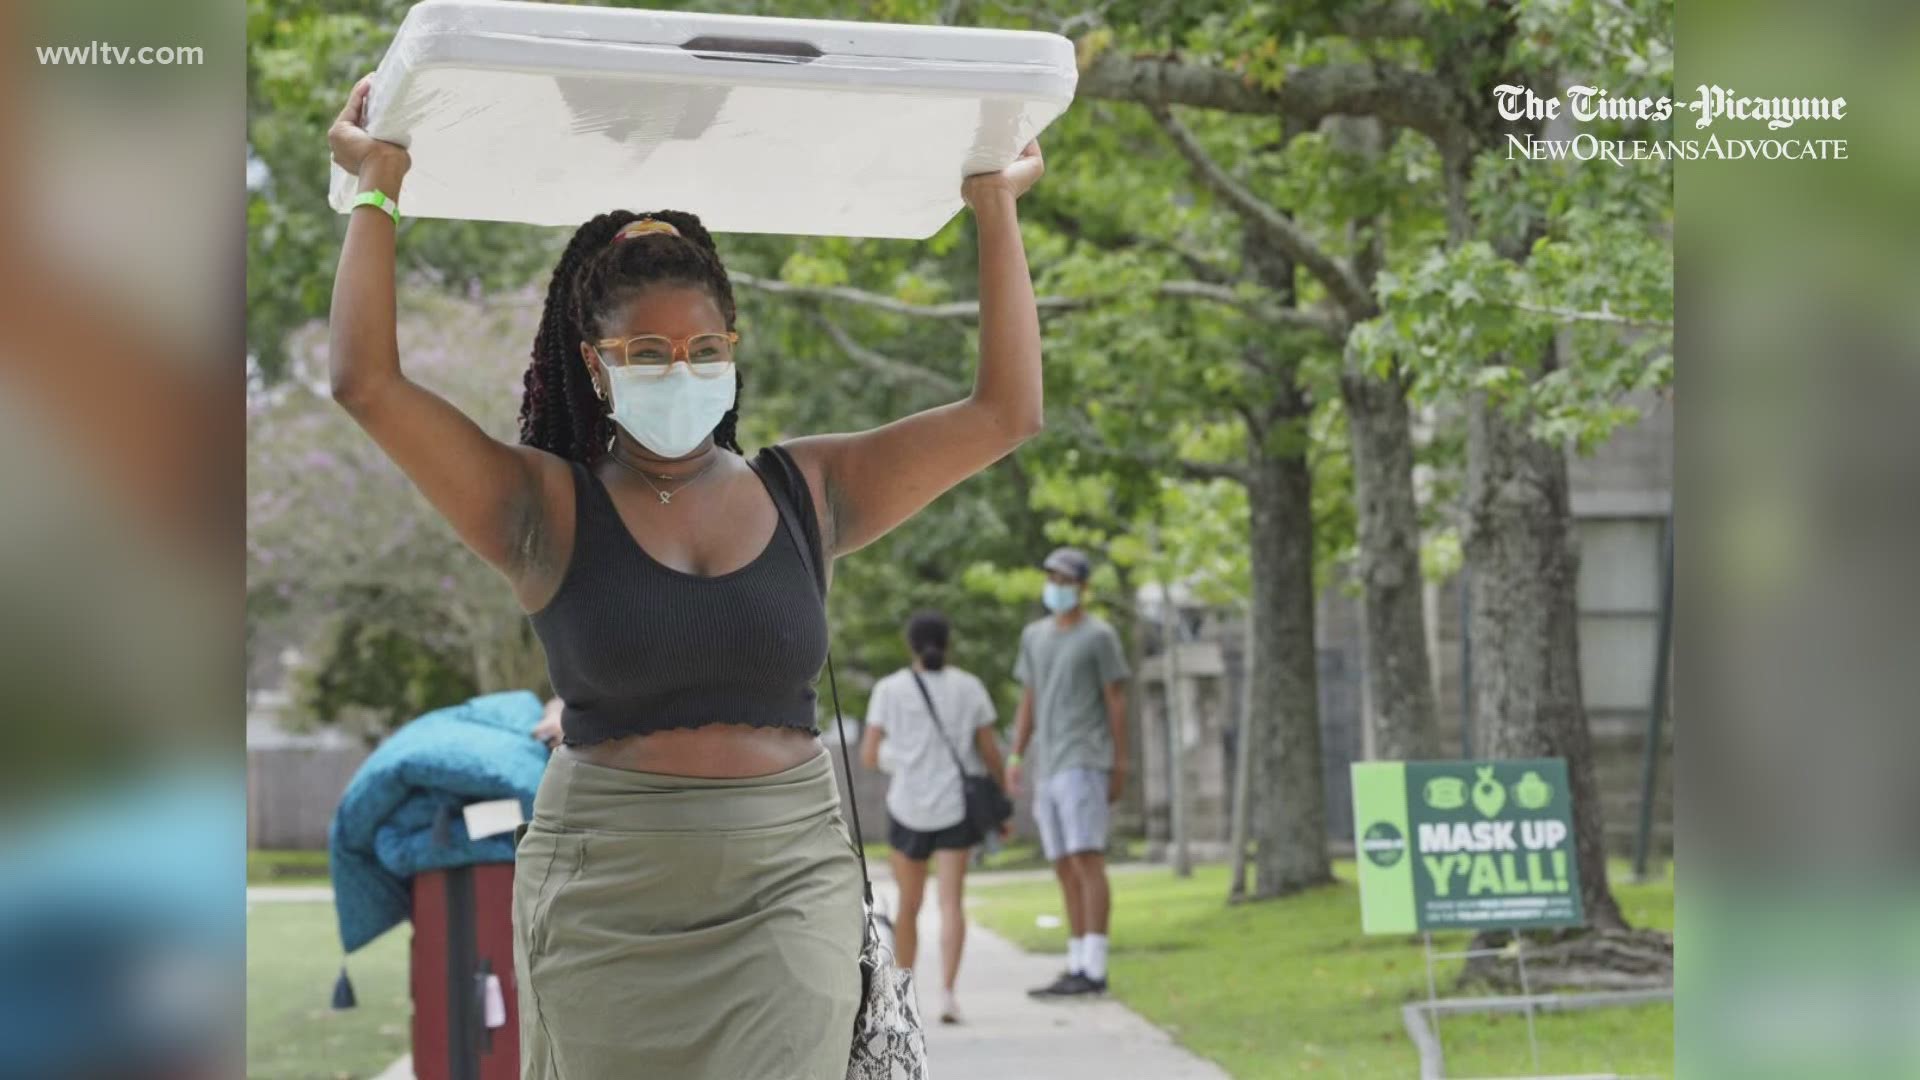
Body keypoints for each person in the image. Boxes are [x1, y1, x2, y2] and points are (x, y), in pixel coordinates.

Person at [326, 74, 1045, 1080]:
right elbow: (367, 382)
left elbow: (1005, 413)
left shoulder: (811, 490)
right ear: (597, 362)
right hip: (607, 891)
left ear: (734, 353)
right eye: (651, 353)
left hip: (786, 877)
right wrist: (378, 185)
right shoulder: (543, 508)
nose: (683, 369)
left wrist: (994, 210)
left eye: (706, 348)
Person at [858, 611, 1009, 1025]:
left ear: (910, 645)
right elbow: (991, 753)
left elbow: (870, 755)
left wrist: (904, 759)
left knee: (908, 905)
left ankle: (905, 1003)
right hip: (955, 809)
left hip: (906, 809)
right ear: (949, 643)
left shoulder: (889, 690)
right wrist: (1003, 798)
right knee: (950, 902)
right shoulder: (969, 687)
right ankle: (948, 995)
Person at [1008, 547, 1130, 998]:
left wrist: (1120, 762)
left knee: (1087, 858)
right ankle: (1076, 961)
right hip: (1049, 761)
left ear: (1081, 586)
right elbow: (1030, 699)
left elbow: (1116, 700)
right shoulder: (1034, 636)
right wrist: (1016, 756)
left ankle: (1095, 967)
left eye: (1064, 579)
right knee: (1062, 864)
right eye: (1051, 577)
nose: (1056, 587)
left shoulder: (1099, 637)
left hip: (1086, 759)